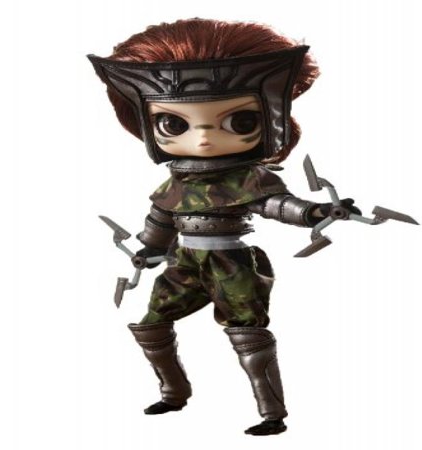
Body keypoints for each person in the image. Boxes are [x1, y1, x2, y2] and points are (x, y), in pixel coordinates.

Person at [88, 18, 360, 436]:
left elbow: (274, 204)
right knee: (151, 325)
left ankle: (272, 414)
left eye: (240, 121)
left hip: (231, 262)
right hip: (184, 262)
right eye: (174, 124)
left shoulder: (246, 177)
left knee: (248, 335)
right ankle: (173, 393)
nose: (202, 139)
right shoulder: (176, 181)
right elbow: (161, 219)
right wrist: (149, 249)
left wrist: (315, 212)